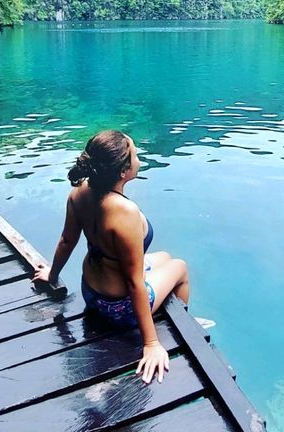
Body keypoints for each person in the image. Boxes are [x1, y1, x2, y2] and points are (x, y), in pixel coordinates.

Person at [33, 130, 190, 384]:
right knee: (180, 268)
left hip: (91, 292)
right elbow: (133, 282)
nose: (138, 158)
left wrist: (52, 275)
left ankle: (163, 318)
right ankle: (178, 331)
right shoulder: (125, 212)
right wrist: (150, 343)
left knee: (165, 257)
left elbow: (67, 241)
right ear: (123, 172)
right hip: (118, 308)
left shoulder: (78, 193)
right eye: (135, 154)